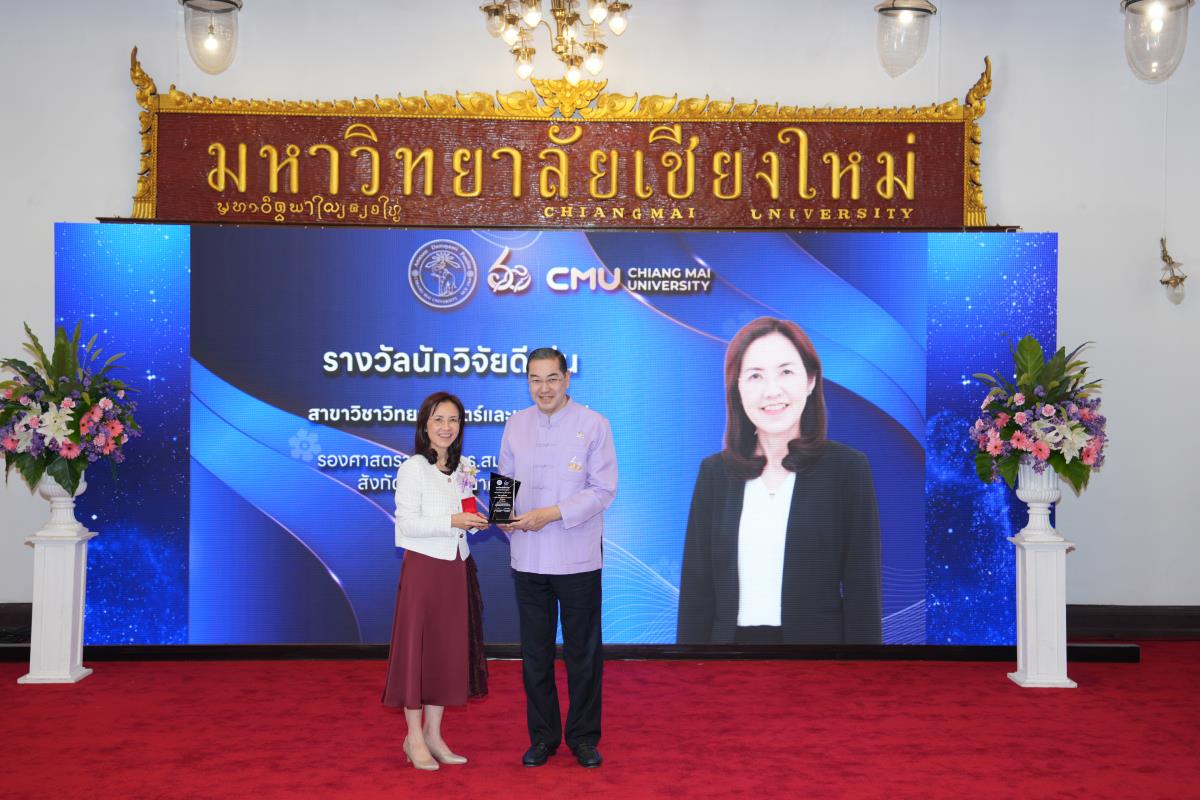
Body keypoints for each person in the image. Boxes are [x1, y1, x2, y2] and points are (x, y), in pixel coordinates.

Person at [677, 317, 882, 646]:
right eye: (755, 376)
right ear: (737, 389)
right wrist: (687, 666)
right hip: (727, 656)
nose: (772, 391)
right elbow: (696, 594)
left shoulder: (847, 469)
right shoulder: (715, 473)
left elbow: (863, 591)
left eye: (786, 372)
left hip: (817, 658)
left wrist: (863, 670)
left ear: (811, 380)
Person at [498, 347, 617, 769]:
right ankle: (543, 737)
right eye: (535, 379)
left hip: (576, 558)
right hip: (527, 559)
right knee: (535, 655)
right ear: (527, 382)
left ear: (567, 379)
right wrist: (502, 517)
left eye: (552, 378)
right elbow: (505, 480)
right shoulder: (515, 424)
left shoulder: (594, 424)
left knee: (583, 654)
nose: (543, 388)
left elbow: (603, 490)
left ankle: (583, 737)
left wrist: (551, 514)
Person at [383, 391, 490, 771]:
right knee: (418, 652)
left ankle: (434, 734)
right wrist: (452, 521)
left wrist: (475, 522)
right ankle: (413, 737)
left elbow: (465, 515)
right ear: (425, 425)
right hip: (424, 571)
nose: (447, 427)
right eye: (439, 419)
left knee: (445, 653)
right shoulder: (413, 468)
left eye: (453, 420)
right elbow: (406, 525)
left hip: (455, 567)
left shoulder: (464, 469)